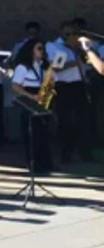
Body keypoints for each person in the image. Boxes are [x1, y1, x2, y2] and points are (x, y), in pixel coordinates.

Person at [46, 21, 94, 164]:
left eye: (74, 33)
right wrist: (75, 62)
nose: (71, 36)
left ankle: (85, 152)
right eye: (68, 33)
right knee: (65, 121)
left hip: (79, 85)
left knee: (83, 120)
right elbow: (56, 68)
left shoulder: (79, 47)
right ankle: (66, 153)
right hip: (64, 87)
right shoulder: (55, 46)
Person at [11, 39, 55, 174]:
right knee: (31, 134)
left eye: (42, 49)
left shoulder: (43, 65)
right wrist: (31, 96)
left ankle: (45, 162)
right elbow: (15, 86)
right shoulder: (23, 67)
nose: (42, 51)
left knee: (43, 133)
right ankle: (33, 164)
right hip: (29, 99)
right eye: (39, 48)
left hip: (41, 97)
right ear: (31, 50)